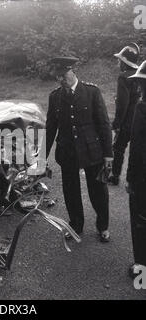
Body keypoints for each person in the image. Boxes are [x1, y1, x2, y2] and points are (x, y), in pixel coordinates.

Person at [46, 56, 113, 242]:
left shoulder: (92, 92)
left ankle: (103, 226)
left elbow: (104, 124)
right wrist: (41, 157)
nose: (61, 79)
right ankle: (76, 225)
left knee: (98, 191)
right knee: (70, 191)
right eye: (57, 77)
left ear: (73, 70)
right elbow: (51, 127)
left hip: (92, 151)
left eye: (64, 74)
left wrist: (108, 154)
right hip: (67, 152)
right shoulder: (55, 97)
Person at [108, 43, 141, 185]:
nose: (118, 62)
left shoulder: (123, 77)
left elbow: (123, 104)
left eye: (119, 60)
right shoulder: (140, 74)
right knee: (137, 149)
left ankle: (115, 176)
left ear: (124, 62)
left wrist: (116, 124)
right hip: (140, 119)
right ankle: (134, 179)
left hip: (127, 121)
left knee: (118, 148)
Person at [126, 61, 146, 276]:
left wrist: (131, 179)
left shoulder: (142, 107)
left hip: (143, 180)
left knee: (140, 222)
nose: (139, 87)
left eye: (141, 83)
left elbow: (137, 147)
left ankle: (142, 267)